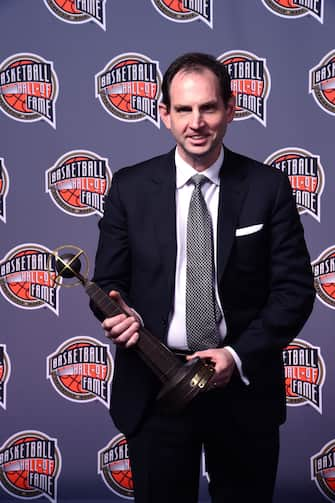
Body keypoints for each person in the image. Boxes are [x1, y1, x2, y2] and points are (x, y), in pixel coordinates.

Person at [90, 52, 315, 503]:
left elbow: (294, 291)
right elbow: (107, 284)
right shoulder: (129, 188)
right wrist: (116, 311)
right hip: (155, 387)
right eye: (184, 110)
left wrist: (235, 355)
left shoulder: (268, 187)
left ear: (230, 110)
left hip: (243, 392)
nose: (197, 122)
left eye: (208, 108)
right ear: (165, 115)